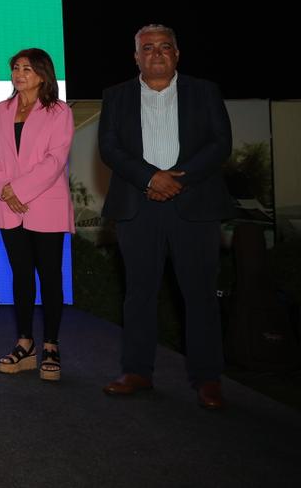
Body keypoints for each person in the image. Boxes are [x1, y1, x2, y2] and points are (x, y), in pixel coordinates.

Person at [99, 25, 234, 409]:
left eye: (164, 47)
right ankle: (137, 371)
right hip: (137, 205)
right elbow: (109, 148)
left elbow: (220, 143)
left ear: (177, 54)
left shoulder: (205, 91)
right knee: (139, 294)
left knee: (200, 295)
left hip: (195, 206)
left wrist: (178, 180)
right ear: (136, 57)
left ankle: (208, 379)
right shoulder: (116, 96)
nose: (156, 53)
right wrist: (150, 178)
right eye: (148, 48)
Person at [0, 48, 74, 381]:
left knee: (49, 276)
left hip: (45, 204)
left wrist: (18, 191)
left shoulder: (59, 111)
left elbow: (55, 160)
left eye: (27, 69)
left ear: (43, 75)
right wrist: (4, 188)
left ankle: (51, 346)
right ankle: (25, 343)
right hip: (8, 205)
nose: (19, 74)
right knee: (21, 275)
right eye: (16, 68)